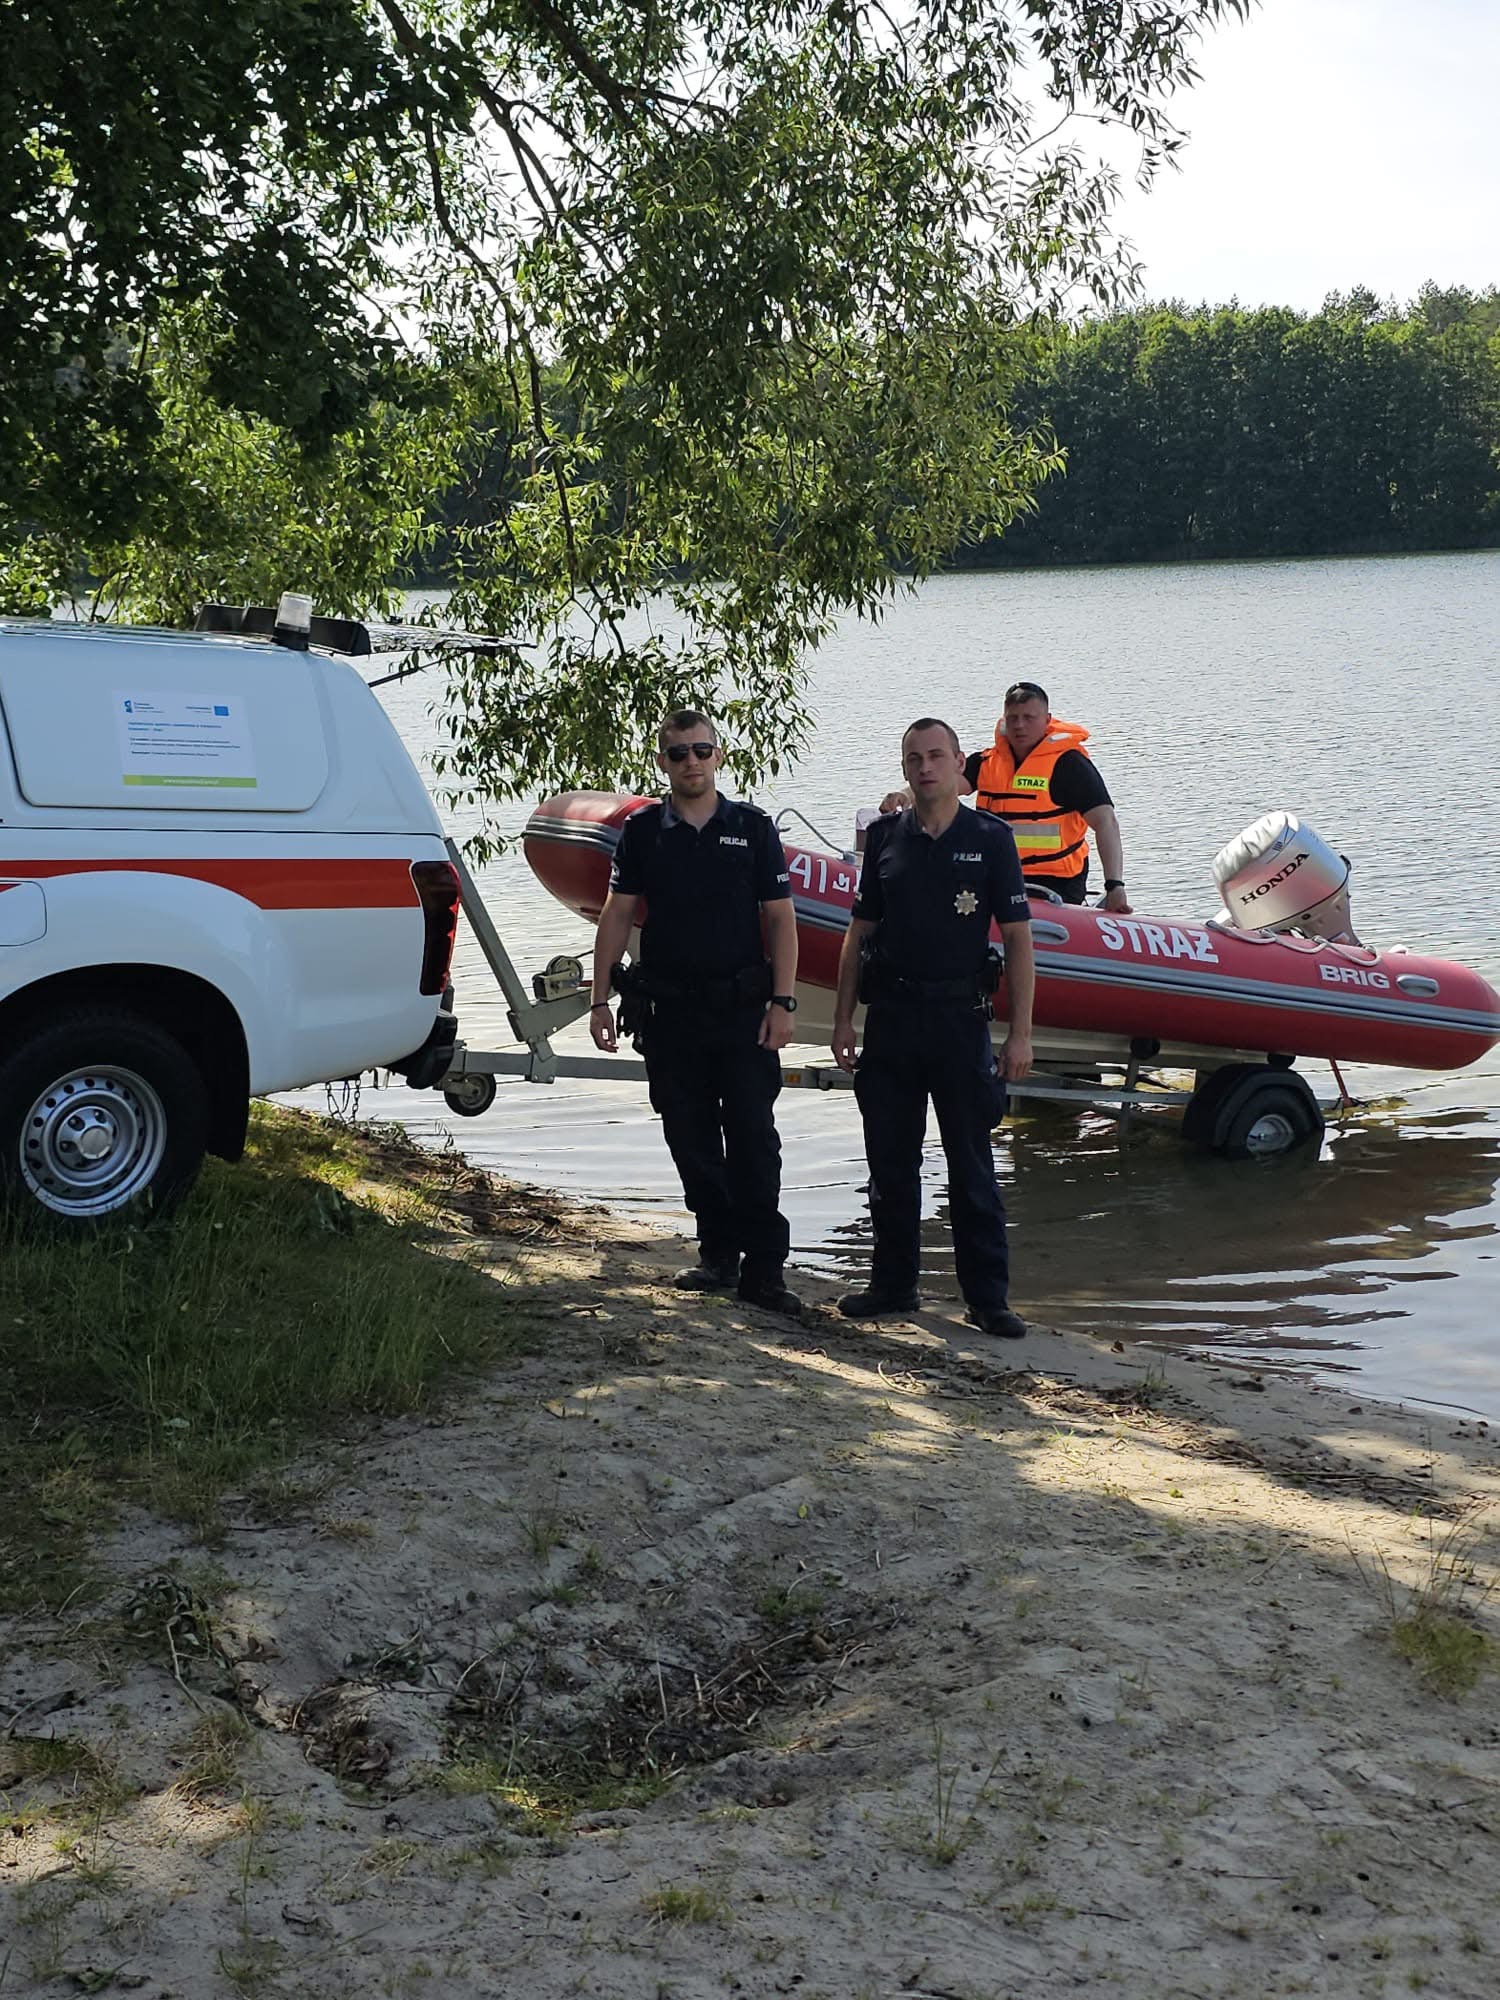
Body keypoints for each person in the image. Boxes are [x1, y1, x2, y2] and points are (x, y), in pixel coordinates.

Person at [590, 710, 802, 1316]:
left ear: (718, 756)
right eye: (679, 753)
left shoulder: (752, 828)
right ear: (663, 762)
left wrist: (784, 1002)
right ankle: (718, 1254)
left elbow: (780, 918)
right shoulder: (643, 832)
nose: (691, 762)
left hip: (742, 1013)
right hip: (671, 1014)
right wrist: (600, 998)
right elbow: (618, 913)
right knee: (690, 1138)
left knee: (754, 1140)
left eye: (701, 751)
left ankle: (765, 1269)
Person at [832, 717, 1035, 1340]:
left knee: (971, 1164)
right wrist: (842, 1019)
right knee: (890, 1163)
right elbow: (859, 933)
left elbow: (1019, 941)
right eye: (914, 758)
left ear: (958, 765)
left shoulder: (990, 838)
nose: (926, 767)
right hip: (892, 1020)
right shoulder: (885, 838)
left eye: (936, 756)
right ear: (904, 768)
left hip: (959, 1021)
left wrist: (1020, 1034)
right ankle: (893, 1286)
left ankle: (988, 1300)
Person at [962, 681, 1131, 912]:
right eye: (1013, 718)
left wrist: (1115, 885)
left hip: (1056, 882)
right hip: (997, 876)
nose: (1019, 725)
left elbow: (1106, 822)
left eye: (1029, 718)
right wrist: (911, 793)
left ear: (1047, 719)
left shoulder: (1069, 765)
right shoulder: (985, 763)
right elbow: (941, 788)